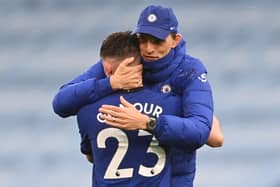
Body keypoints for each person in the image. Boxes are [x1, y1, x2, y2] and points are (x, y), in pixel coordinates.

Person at [52, 5, 224, 186]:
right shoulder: (128, 61)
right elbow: (60, 102)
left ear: (175, 40)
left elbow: (202, 130)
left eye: (157, 41)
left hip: (176, 174)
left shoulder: (189, 70)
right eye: (143, 40)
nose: (148, 49)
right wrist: (110, 83)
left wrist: (146, 122)